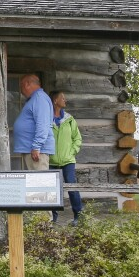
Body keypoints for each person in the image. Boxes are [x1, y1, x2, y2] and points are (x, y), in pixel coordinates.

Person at [48, 91, 83, 224]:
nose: (65, 100)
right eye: (62, 98)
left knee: (72, 188)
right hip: (51, 160)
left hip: (68, 160)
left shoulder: (69, 119)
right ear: (55, 101)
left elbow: (77, 138)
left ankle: (78, 216)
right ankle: (52, 218)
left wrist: (72, 152)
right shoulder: (46, 118)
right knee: (51, 190)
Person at [13, 74, 55, 170]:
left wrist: (37, 146)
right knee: (33, 182)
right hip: (31, 149)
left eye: (21, 85)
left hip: (37, 151)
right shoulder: (35, 98)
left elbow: (43, 124)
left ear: (27, 84)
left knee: (39, 182)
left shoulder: (39, 98)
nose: (20, 89)